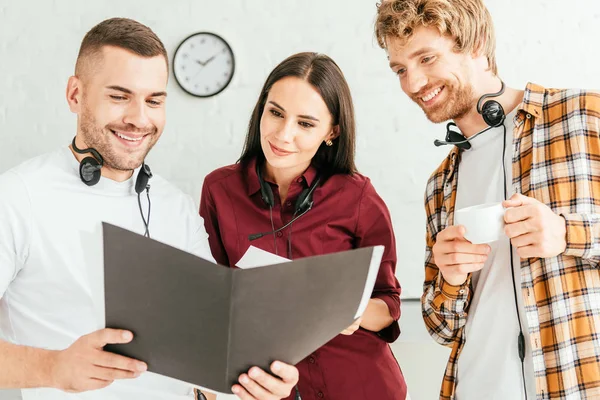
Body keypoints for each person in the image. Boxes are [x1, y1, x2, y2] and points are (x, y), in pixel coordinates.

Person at [0, 17, 298, 400]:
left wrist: (249, 385)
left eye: (154, 100)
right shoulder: (17, 196)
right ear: (75, 94)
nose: (140, 119)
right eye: (119, 96)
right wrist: (53, 367)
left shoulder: (177, 207)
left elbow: (208, 349)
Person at [375, 1, 600, 399]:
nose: (413, 83)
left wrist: (567, 234)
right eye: (400, 69)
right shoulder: (440, 184)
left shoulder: (584, 116)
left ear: (476, 44)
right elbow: (442, 329)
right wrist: (451, 279)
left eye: (426, 58)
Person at [199, 52, 407, 400]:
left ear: (332, 132)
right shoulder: (219, 190)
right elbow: (215, 300)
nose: (283, 134)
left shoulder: (358, 197)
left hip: (363, 387)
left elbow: (388, 307)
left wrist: (349, 312)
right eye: (276, 113)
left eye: (306, 123)